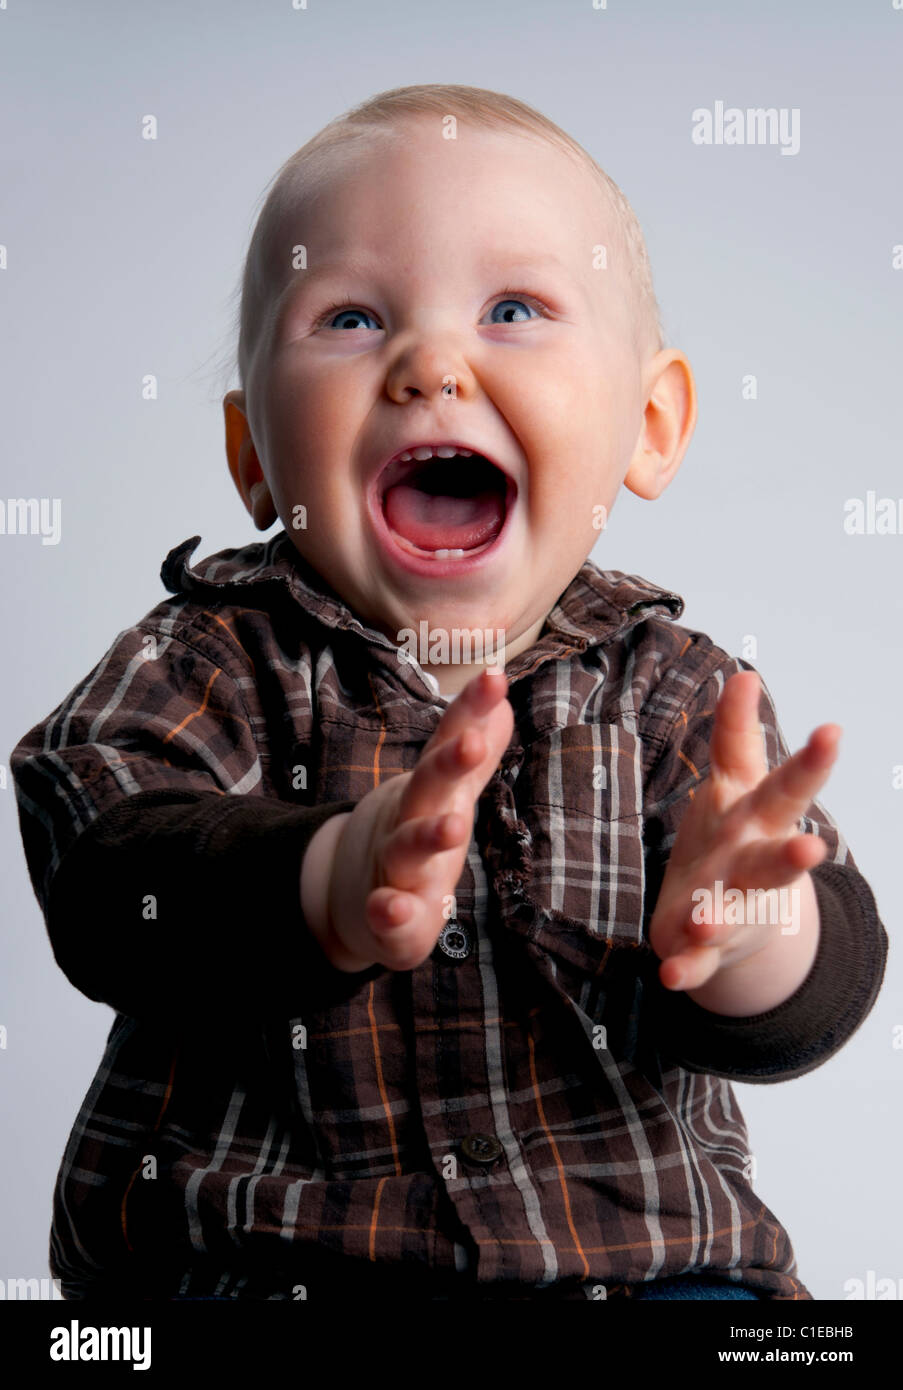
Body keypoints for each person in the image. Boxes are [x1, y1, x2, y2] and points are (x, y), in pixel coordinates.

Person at [10, 84, 887, 1302]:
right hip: (272, 1273)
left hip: (642, 1274)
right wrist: (323, 881)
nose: (431, 364)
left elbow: (814, 998)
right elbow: (104, 869)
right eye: (354, 317)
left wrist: (751, 930)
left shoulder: (681, 695)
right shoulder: (202, 658)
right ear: (255, 456)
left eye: (514, 308)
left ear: (649, 422)